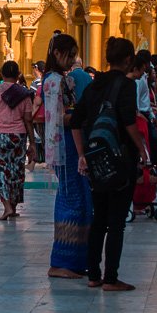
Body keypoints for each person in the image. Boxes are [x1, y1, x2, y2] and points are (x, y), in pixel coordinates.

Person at [71, 37, 149, 292]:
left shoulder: (95, 86)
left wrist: (83, 154)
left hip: (96, 159)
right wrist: (142, 149)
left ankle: (93, 275)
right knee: (116, 222)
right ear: (128, 59)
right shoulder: (126, 86)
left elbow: (75, 121)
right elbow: (128, 122)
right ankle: (111, 278)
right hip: (120, 158)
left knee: (99, 219)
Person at [42, 33, 94, 279]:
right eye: (69, 55)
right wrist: (84, 115)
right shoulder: (56, 81)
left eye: (74, 55)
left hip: (66, 146)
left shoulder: (58, 79)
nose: (72, 60)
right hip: (68, 147)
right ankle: (62, 261)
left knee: (78, 198)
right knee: (73, 199)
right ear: (57, 54)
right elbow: (62, 118)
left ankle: (73, 259)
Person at [0, 60, 36, 220]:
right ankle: (14, 205)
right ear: (18, 75)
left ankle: (7, 206)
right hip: (18, 136)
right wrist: (32, 142)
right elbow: (28, 119)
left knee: (0, 170)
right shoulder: (24, 93)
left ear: (1, 74)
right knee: (17, 170)